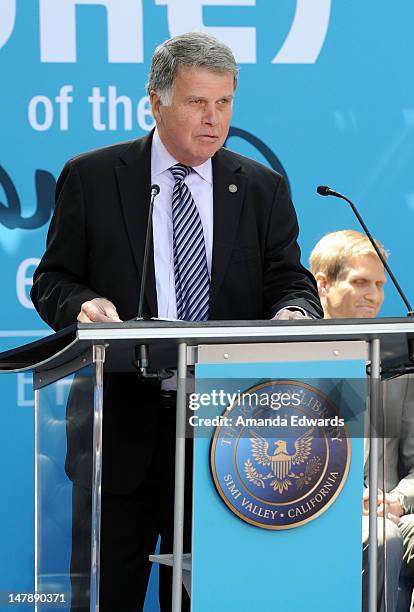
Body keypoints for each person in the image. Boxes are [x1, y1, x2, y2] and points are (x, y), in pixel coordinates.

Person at [30, 32, 323, 611]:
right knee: (109, 596)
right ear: (156, 101)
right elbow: (53, 279)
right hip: (119, 430)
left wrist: (294, 312)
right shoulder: (93, 177)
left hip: (227, 437)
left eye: (224, 104)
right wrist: (82, 307)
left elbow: (289, 279)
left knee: (202, 599)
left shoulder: (261, 188)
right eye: (197, 103)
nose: (213, 121)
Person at [309, 229, 414, 612]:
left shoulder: (399, 371)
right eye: (360, 282)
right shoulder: (288, 363)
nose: (373, 295)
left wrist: (395, 501)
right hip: (312, 517)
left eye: (379, 284)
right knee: (380, 539)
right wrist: (344, 500)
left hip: (387, 510)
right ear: (323, 285)